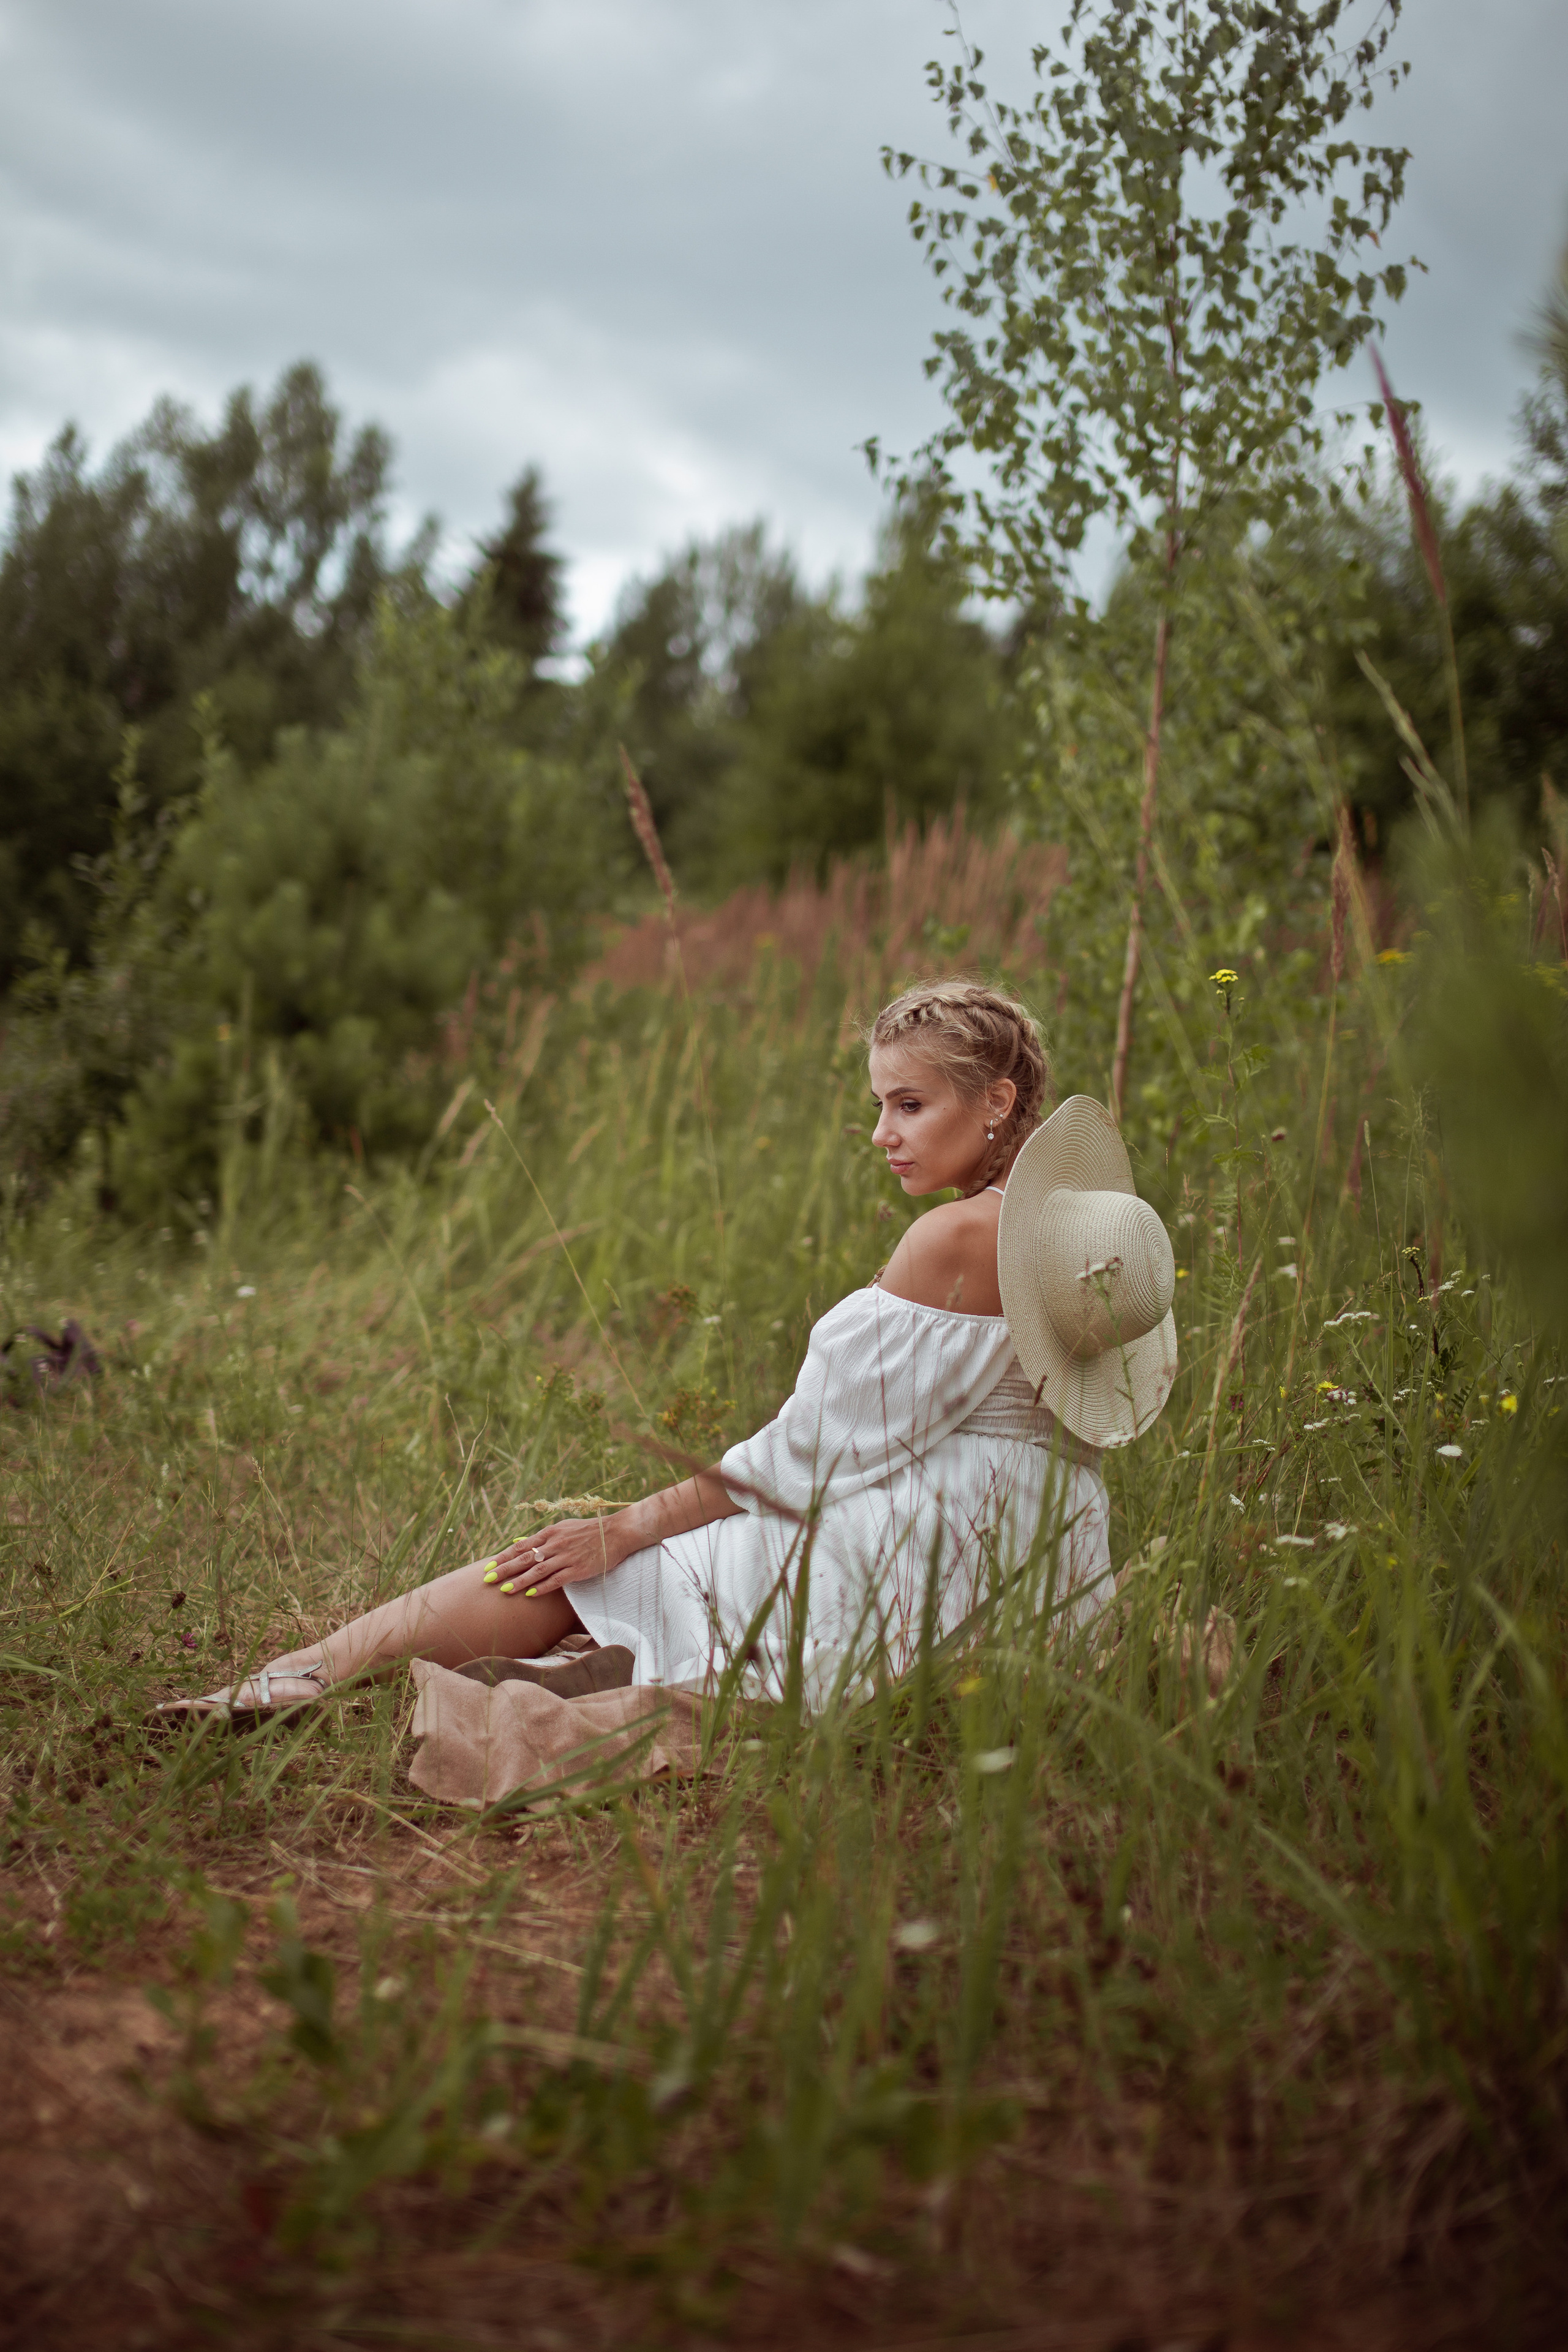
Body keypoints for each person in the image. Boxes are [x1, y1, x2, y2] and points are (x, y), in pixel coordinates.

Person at [160, 981, 1177, 1724]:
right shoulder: (1076, 1231)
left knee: (568, 1573)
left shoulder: (952, 1240)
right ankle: (312, 1676)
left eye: (908, 1105)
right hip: (1046, 1559)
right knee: (639, 1567)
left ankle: (296, 1679)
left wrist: (625, 1526)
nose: (881, 1134)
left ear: (997, 1102)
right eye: (878, 1104)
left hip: (932, 1555)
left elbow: (807, 1454)